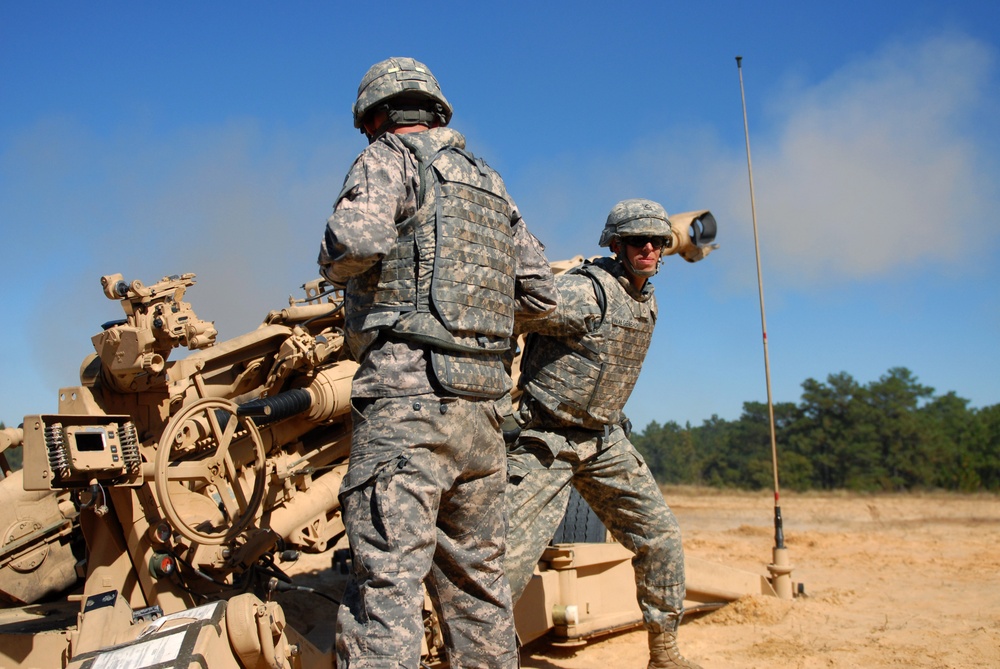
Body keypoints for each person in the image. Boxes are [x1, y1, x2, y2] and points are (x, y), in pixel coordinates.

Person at [318, 57, 556, 669]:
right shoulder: (489, 182)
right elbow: (539, 293)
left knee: (387, 589)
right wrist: (475, 329)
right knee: (480, 589)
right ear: (435, 110)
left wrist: (341, 272)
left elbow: (356, 241)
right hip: (482, 416)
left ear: (377, 117)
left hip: (407, 410)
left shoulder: (389, 158)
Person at [505, 199, 714, 669]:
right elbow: (503, 320)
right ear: (616, 246)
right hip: (547, 441)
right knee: (503, 567)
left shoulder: (645, 294)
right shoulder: (585, 292)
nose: (648, 248)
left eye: (656, 241)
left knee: (660, 538)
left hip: (603, 441)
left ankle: (664, 654)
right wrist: (498, 404)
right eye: (636, 240)